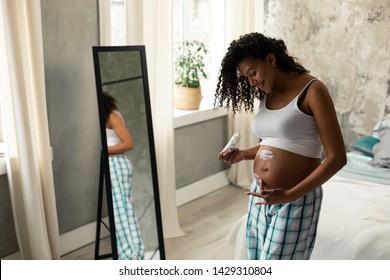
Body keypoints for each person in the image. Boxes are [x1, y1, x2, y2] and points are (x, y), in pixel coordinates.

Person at [215, 32, 346, 260]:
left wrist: (290, 195)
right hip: (260, 195)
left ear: (271, 60)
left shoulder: (313, 90)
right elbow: (276, 143)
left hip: (296, 198)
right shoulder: (267, 93)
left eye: (253, 73)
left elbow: (337, 158)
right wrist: (243, 154)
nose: (252, 81)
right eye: (246, 77)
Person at [103, 91, 145, 260]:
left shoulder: (112, 116)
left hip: (117, 165)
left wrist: (103, 151)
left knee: (123, 212)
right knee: (118, 213)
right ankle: (126, 253)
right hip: (110, 166)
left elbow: (129, 143)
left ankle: (132, 255)